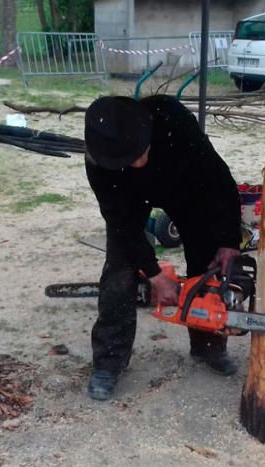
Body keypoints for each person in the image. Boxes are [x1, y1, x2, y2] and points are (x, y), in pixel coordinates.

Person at [84, 95, 243, 401]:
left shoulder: (173, 120)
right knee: (120, 267)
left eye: (141, 153)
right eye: (130, 160)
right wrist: (153, 273)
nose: (139, 163)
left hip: (183, 187)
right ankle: (109, 360)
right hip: (128, 199)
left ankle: (207, 344)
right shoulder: (99, 158)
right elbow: (120, 222)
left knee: (206, 254)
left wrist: (227, 240)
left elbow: (217, 179)